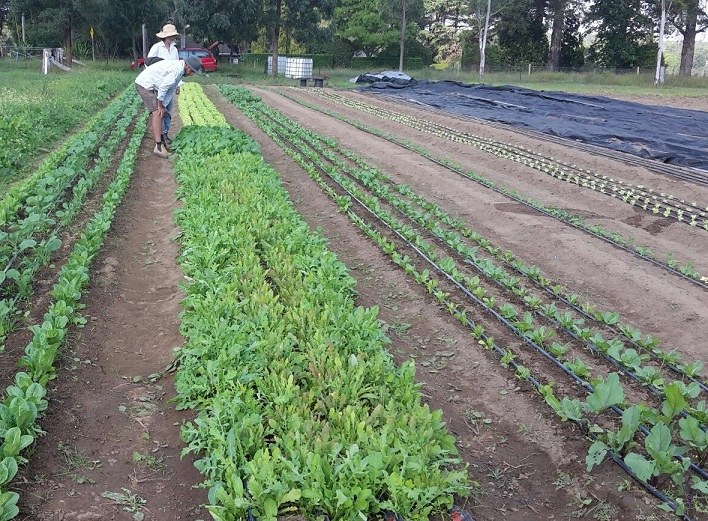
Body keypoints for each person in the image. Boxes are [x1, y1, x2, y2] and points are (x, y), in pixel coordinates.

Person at [134, 56, 203, 158]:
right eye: (192, 71)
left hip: (153, 85)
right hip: (144, 84)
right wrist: (160, 106)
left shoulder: (180, 71)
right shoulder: (176, 70)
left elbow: (170, 90)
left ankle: (162, 144)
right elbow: (163, 88)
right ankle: (158, 147)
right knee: (157, 113)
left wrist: (164, 106)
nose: (192, 74)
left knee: (161, 112)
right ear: (187, 66)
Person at [146, 24, 180, 145]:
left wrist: (178, 85)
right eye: (169, 35)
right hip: (158, 83)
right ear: (164, 36)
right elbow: (148, 62)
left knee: (168, 109)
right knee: (159, 109)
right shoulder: (157, 47)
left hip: (170, 83)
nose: (171, 38)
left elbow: (177, 68)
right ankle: (159, 136)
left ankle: (165, 133)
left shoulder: (174, 49)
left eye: (173, 36)